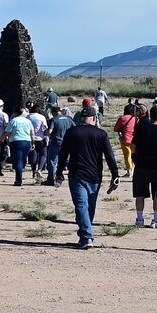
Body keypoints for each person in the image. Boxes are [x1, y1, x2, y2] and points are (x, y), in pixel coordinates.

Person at [53, 104, 120, 249]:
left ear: (82, 118)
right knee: (89, 206)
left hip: (77, 174)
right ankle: (86, 235)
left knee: (81, 205)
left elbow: (63, 153)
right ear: (93, 118)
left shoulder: (72, 132)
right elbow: (110, 156)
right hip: (95, 175)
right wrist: (115, 175)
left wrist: (59, 172)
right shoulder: (101, 134)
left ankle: (86, 236)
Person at [130, 104, 157, 229]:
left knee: (140, 193)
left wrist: (135, 156)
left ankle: (139, 219)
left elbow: (133, 146)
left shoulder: (141, 129)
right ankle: (156, 219)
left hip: (141, 165)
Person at [5, 108, 34, 185]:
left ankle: (18, 180)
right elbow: (32, 133)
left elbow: (7, 132)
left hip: (16, 142)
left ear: (15, 113)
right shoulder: (28, 121)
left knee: (18, 161)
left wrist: (1, 140)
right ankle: (20, 174)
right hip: (27, 142)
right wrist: (33, 142)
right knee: (22, 160)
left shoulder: (14, 121)